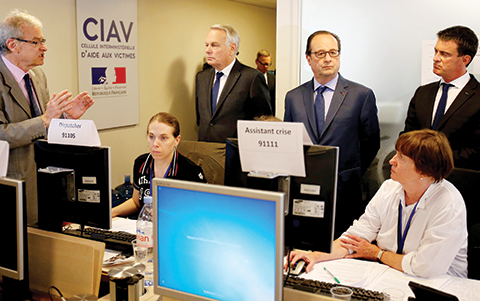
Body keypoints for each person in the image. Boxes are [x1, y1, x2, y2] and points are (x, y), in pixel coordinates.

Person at [286, 129, 467, 278]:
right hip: (392, 273)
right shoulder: (390, 188)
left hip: (439, 284)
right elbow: (356, 238)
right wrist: (315, 256)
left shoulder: (448, 203)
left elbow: (424, 267)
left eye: (401, 158)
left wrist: (377, 254)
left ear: (424, 171)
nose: (391, 161)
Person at [0, 10, 93, 224]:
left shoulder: (37, 75)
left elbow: (46, 128)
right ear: (13, 45)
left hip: (47, 181)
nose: (45, 47)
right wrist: (45, 120)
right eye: (36, 42)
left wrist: (66, 119)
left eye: (43, 41)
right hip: (12, 186)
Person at [284, 30, 380, 236]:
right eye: (320, 54)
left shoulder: (361, 96)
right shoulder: (294, 97)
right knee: (306, 244)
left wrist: (349, 172)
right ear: (308, 59)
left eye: (333, 53)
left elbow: (371, 143)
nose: (328, 59)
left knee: (342, 249)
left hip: (344, 190)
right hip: (304, 188)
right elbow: (288, 142)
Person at [403, 25, 480, 171]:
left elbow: (477, 151)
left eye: (444, 54)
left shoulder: (477, 97)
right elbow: (408, 135)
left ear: (464, 60)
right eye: (436, 51)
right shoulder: (423, 93)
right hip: (418, 178)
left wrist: (431, 157)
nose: (435, 58)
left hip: (460, 179)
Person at [112, 112, 206, 217]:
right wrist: (111, 213)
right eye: (151, 136)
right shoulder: (141, 163)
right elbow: (136, 202)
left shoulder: (191, 171)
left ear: (176, 140)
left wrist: (166, 213)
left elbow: (199, 213)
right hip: (145, 226)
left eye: (163, 138)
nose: (155, 144)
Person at [196, 24, 272, 143]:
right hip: (205, 152)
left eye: (214, 45)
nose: (208, 50)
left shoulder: (252, 77)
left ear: (232, 48)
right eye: (207, 45)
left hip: (236, 154)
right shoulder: (202, 77)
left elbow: (264, 123)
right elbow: (201, 119)